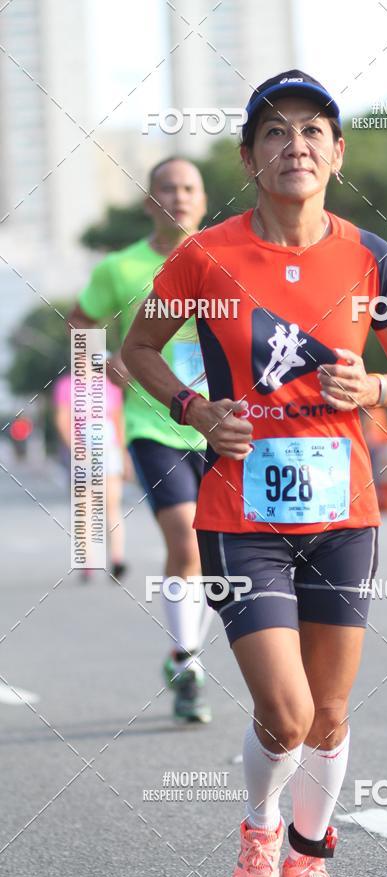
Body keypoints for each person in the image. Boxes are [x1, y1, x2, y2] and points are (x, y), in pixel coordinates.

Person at [122, 71, 387, 877]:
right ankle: (259, 837)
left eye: (312, 131)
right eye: (275, 133)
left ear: (337, 152)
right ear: (250, 158)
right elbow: (136, 351)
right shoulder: (205, 254)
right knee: (286, 713)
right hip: (240, 511)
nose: (295, 145)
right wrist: (192, 407)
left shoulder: (371, 255)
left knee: (329, 714)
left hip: (345, 511)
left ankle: (308, 855)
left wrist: (372, 389)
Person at [67, 158, 214, 723]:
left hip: (223, 422)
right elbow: (82, 322)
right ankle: (187, 662)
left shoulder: (226, 258)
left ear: (203, 200)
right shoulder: (122, 268)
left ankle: (187, 649)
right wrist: (104, 361)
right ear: (150, 202)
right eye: (167, 189)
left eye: (188, 188)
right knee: (186, 539)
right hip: (155, 424)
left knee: (217, 555)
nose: (178, 197)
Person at [53, 369, 128, 581]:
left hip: (108, 452)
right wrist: (77, 450)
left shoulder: (110, 384)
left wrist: (123, 454)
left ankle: (117, 559)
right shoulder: (66, 385)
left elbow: (118, 420)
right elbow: (62, 420)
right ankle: (88, 561)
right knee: (84, 508)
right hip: (81, 453)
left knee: (112, 506)